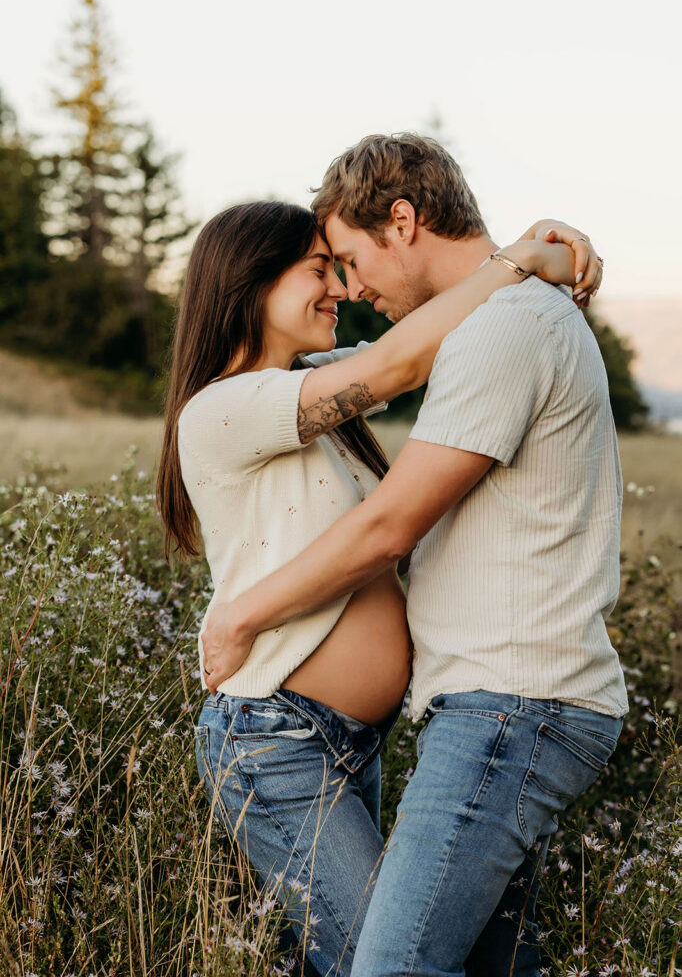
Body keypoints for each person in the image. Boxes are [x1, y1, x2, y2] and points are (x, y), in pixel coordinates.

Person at [201, 133, 627, 977]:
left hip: (512, 704)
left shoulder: (506, 328)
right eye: (324, 271)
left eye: (351, 261)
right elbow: (393, 363)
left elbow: (389, 524)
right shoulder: (242, 401)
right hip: (478, 707)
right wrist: (523, 253)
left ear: (403, 221)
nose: (350, 290)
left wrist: (241, 614)